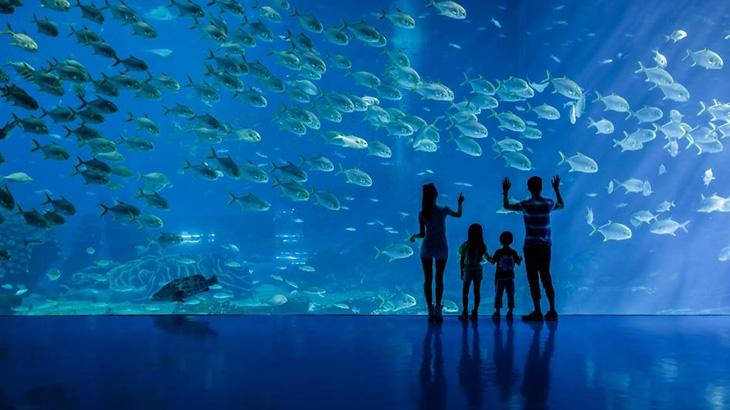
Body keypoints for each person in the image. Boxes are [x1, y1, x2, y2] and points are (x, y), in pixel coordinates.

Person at [502, 175, 564, 321]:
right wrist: (556, 189)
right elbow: (561, 205)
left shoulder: (525, 204)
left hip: (530, 246)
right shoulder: (548, 203)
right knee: (546, 276)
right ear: (541, 187)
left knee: (533, 278)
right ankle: (553, 309)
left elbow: (507, 206)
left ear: (528, 188)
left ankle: (537, 311)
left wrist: (505, 191)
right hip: (545, 246)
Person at [411, 183, 464, 322]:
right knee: (439, 278)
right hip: (441, 246)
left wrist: (414, 236)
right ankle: (438, 309)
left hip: (427, 246)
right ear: (436, 195)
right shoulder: (443, 210)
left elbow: (422, 234)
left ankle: (430, 309)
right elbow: (458, 215)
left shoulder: (422, 214)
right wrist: (460, 203)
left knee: (427, 279)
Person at [458, 224, 490, 321]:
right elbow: (488, 257)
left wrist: (461, 272)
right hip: (477, 270)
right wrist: (494, 259)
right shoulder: (482, 246)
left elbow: (462, 259)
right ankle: (475, 311)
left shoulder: (465, 245)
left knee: (465, 292)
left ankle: (465, 312)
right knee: (477, 292)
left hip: (467, 270)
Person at [488, 231, 522, 320]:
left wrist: (488, 257)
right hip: (510, 277)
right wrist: (520, 258)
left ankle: (497, 312)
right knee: (510, 294)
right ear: (511, 241)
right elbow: (518, 262)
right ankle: (510, 312)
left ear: (500, 241)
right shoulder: (513, 252)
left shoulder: (498, 252)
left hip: (499, 277)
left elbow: (492, 261)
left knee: (498, 294)